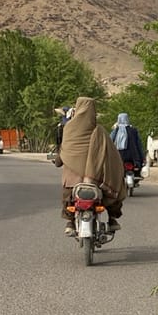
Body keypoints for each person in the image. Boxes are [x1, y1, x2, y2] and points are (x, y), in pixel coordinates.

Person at [54, 97, 126, 236]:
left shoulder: (69, 128)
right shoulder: (100, 132)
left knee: (67, 198)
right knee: (113, 191)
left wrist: (58, 161)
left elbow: (64, 151)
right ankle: (112, 219)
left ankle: (70, 222)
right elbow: (111, 155)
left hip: (72, 182)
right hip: (97, 181)